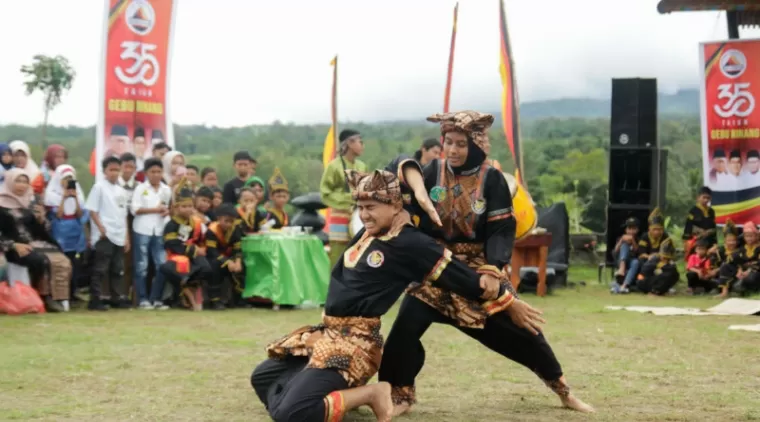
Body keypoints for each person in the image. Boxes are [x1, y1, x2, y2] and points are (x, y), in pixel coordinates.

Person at [250, 169, 530, 422]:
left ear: (396, 206)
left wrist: (508, 300)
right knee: (263, 377)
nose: (364, 214)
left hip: (353, 346)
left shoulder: (412, 243)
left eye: (371, 207)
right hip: (326, 334)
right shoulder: (369, 232)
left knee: (292, 414)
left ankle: (371, 393)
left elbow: (466, 279)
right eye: (360, 207)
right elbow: (398, 165)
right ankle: (335, 396)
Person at [379, 111, 592, 415]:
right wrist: (414, 180)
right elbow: (392, 171)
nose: (452, 150)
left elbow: (501, 229)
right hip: (436, 268)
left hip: (479, 270)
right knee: (403, 330)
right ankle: (399, 394)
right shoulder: (430, 171)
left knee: (524, 330)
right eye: (448, 142)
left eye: (460, 144)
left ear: (476, 146)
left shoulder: (491, 179)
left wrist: (494, 268)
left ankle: (563, 390)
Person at [0, 169, 72, 312]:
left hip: (32, 244)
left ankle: (58, 297)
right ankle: (41, 296)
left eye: (25, 182)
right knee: (40, 260)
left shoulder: (30, 202)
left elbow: (40, 230)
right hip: (10, 248)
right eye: (18, 181)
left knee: (61, 259)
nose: (22, 185)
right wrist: (13, 245)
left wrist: (42, 221)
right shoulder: (1, 205)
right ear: (9, 182)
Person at [86, 156, 130, 311]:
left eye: (117, 169)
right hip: (105, 234)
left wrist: (126, 237)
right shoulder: (99, 187)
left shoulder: (122, 191)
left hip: (119, 234)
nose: (114, 173)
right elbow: (92, 210)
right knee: (100, 269)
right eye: (111, 169)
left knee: (117, 268)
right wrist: (100, 227)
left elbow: (123, 214)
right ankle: (95, 299)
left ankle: (116, 297)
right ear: (104, 171)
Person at [160, 179, 212, 309]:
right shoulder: (171, 225)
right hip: (176, 256)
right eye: (184, 206)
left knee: (206, 268)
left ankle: (190, 286)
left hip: (193, 255)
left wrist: (201, 249)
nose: (188, 209)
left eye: (190, 206)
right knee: (170, 268)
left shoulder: (195, 222)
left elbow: (201, 239)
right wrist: (193, 250)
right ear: (176, 208)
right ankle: (184, 293)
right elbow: (172, 245)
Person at [320, 129, 367, 268]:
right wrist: (349, 198)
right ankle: (335, 289)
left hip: (359, 217)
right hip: (340, 217)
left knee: (358, 257)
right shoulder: (334, 166)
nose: (362, 146)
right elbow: (325, 193)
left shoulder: (361, 166)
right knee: (338, 260)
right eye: (360, 142)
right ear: (350, 143)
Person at [43, 164, 89, 303]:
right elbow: (58, 214)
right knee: (61, 263)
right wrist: (63, 198)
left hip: (75, 232)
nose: (67, 182)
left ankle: (73, 292)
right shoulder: (52, 195)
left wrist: (74, 198)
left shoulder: (78, 194)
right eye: (65, 179)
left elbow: (80, 215)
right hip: (60, 232)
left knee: (75, 263)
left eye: (70, 179)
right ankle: (60, 294)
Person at [131, 158, 172, 310]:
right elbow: (135, 209)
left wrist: (166, 211)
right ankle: (142, 299)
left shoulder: (166, 189)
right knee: (142, 266)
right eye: (152, 172)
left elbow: (168, 208)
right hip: (142, 229)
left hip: (160, 230)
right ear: (146, 173)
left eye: (159, 172)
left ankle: (157, 298)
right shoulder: (141, 188)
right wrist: (155, 210)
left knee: (161, 265)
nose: (156, 175)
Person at [205, 203, 243, 310]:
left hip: (229, 257)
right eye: (226, 221)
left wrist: (238, 261)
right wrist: (228, 262)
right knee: (215, 267)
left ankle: (238, 299)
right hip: (213, 258)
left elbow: (237, 248)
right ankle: (215, 301)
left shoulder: (235, 230)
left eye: (232, 221)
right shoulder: (212, 230)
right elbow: (212, 251)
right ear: (219, 219)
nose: (229, 224)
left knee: (242, 266)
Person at [717, 221, 760, 297]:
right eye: (747, 236)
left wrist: (748, 271)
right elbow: (733, 260)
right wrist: (739, 269)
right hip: (743, 271)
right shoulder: (742, 248)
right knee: (725, 265)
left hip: (755, 272)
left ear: (757, 236)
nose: (749, 238)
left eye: (751, 236)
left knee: (751, 277)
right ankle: (725, 292)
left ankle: (745, 289)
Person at [682, 186, 716, 260]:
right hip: (697, 240)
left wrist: (715, 242)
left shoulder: (711, 211)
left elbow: (713, 227)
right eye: (704, 197)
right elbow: (688, 226)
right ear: (698, 197)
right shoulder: (693, 211)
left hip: (709, 239)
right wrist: (686, 241)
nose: (706, 200)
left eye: (708, 198)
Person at [611, 217, 640, 294]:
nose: (631, 231)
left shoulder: (638, 240)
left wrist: (632, 240)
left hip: (631, 261)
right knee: (624, 245)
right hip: (620, 261)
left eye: (634, 229)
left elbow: (637, 251)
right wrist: (621, 240)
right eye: (629, 229)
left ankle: (624, 285)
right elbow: (615, 252)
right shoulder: (620, 238)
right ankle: (622, 268)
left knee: (636, 262)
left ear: (637, 230)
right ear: (626, 230)